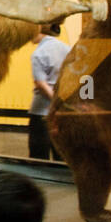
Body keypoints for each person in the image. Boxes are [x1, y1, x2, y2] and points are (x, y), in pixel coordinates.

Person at [29, 22, 69, 160]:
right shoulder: (67, 49)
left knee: (38, 155)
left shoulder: (38, 53)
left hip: (41, 111)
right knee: (61, 154)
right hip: (62, 110)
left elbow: (41, 83)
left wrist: (55, 100)